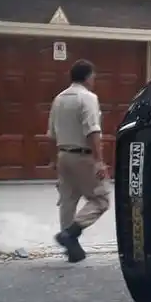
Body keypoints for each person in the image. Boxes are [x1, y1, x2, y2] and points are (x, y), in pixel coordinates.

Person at [47, 59, 110, 263]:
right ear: (88, 77)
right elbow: (93, 131)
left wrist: (53, 160)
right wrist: (99, 161)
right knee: (101, 200)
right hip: (83, 157)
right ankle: (71, 233)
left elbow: (51, 134)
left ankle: (71, 250)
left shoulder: (59, 99)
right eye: (94, 76)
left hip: (63, 155)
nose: (94, 80)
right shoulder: (88, 98)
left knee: (68, 200)